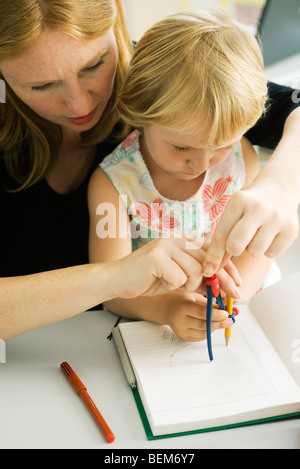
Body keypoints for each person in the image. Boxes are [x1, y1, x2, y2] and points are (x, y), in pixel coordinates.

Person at [0, 1, 299, 341]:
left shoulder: (177, 76)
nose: (82, 106)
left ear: (117, 22)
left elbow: (290, 106)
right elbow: (115, 289)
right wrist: (164, 305)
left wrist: (281, 185)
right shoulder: (116, 178)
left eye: (95, 64)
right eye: (42, 86)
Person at [88, 9, 280, 341]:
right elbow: (110, 289)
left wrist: (236, 297)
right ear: (140, 111)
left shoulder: (241, 157)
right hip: (157, 329)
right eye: (180, 147)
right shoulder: (113, 185)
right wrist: (167, 308)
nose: (202, 163)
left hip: (248, 312)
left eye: (221, 144)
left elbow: (259, 249)